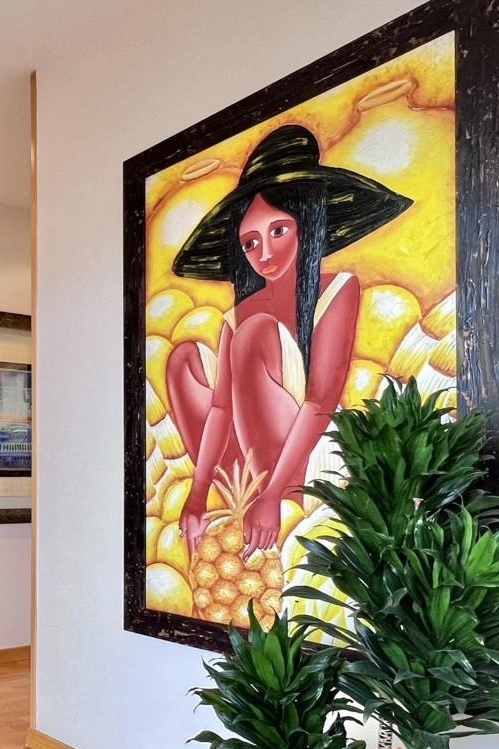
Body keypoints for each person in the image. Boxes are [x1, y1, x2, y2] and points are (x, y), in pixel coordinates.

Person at [165, 124, 411, 559]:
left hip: (303, 457)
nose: (264, 254)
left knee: (256, 333)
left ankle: (273, 501)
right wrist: (197, 494)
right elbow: (221, 408)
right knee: (183, 359)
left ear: (306, 225)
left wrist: (273, 494)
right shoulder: (238, 315)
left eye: (278, 231)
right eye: (250, 242)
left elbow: (320, 400)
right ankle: (242, 503)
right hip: (248, 457)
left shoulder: (338, 290)